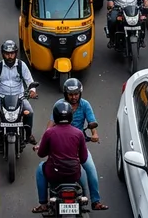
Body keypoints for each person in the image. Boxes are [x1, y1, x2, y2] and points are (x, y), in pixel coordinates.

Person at [59, 78, 108, 210]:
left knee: (91, 170)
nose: (74, 97)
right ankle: (48, 201)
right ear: (65, 94)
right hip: (60, 144)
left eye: (76, 94)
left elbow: (92, 121)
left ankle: (95, 201)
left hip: (79, 145)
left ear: (80, 94)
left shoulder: (85, 105)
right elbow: (51, 124)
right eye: (71, 94)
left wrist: (95, 134)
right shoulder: (59, 105)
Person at [32, 101, 89, 214]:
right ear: (70, 116)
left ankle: (43, 204)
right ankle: (85, 197)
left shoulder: (49, 133)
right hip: (73, 173)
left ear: (56, 116)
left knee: (40, 168)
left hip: (54, 173)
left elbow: (41, 154)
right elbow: (83, 158)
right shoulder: (79, 133)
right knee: (82, 169)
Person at [0, 40, 37, 143]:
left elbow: (30, 81)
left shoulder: (22, 65)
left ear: (15, 53)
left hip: (20, 97)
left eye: (12, 54)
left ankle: (29, 134)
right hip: (0, 97)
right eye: (7, 54)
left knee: (29, 112)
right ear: (3, 54)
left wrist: (32, 90)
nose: (10, 56)